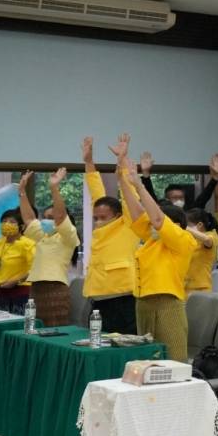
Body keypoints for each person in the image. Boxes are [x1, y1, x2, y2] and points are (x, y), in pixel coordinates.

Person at [115, 141, 199, 360]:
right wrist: (122, 172)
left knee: (173, 360)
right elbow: (136, 213)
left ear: (176, 225)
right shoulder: (152, 241)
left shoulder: (184, 240)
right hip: (143, 303)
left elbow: (158, 219)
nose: (152, 224)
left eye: (156, 221)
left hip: (167, 304)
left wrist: (139, 184)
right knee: (147, 360)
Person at [81, 135, 145, 334]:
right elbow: (96, 191)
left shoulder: (128, 224)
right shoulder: (101, 229)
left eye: (103, 217)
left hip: (122, 296)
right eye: (96, 218)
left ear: (117, 215)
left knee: (125, 343)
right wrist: (89, 162)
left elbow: (129, 196)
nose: (98, 221)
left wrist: (122, 160)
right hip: (98, 296)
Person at [16, 169, 76, 326]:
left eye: (51, 218)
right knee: (34, 327)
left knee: (55, 328)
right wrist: (21, 191)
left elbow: (61, 215)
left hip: (56, 288)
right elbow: (29, 218)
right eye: (45, 217)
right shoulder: (42, 235)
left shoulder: (68, 236)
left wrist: (54, 188)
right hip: (36, 288)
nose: (46, 221)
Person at [182, 208, 218, 296]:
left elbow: (207, 240)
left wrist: (184, 227)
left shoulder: (211, 235)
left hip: (201, 289)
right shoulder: (190, 239)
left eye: (188, 225)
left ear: (200, 225)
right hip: (184, 288)